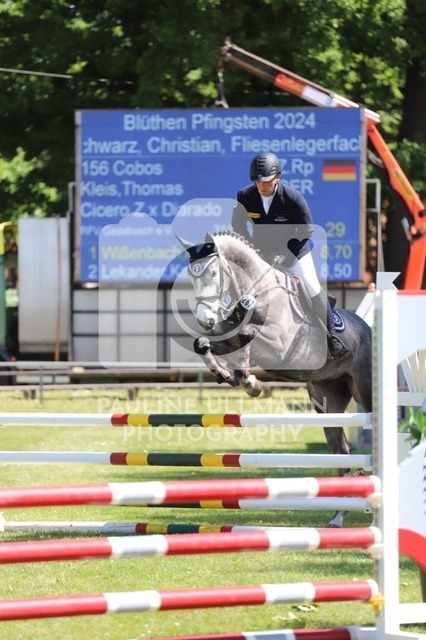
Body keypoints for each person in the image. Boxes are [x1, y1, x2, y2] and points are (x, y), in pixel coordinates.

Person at [231, 151, 347, 359]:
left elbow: (307, 229)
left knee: (311, 285)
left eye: (267, 181)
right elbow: (238, 225)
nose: (262, 186)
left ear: (278, 177)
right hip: (262, 254)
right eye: (258, 181)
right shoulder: (244, 196)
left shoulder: (293, 198)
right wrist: (250, 250)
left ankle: (333, 337)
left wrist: (285, 253)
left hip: (294, 254)